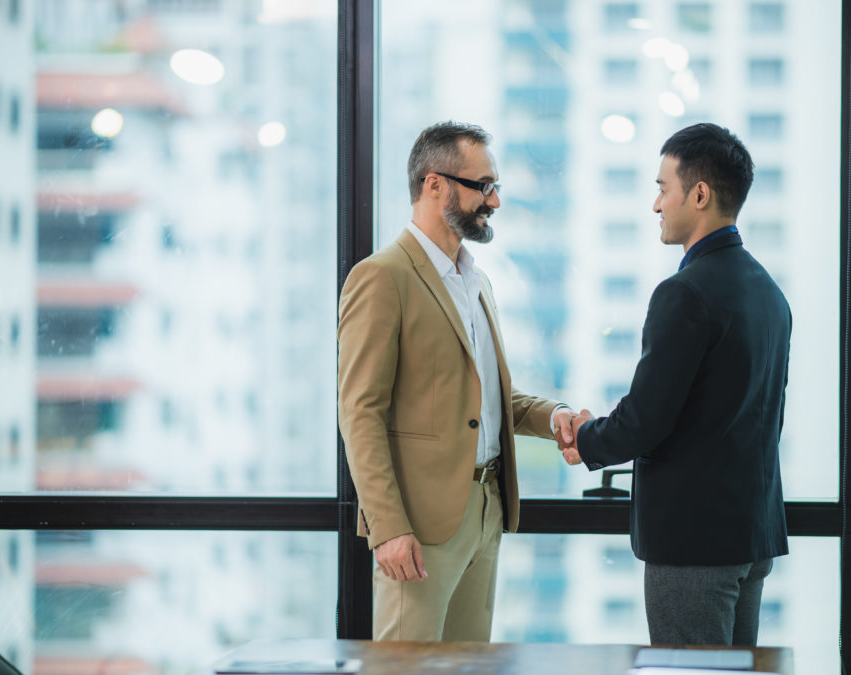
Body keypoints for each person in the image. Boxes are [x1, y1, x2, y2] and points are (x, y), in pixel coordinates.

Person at [338, 121, 577, 642]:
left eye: (495, 187)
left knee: (470, 666)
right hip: (419, 525)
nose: (494, 202)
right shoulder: (383, 277)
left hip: (486, 510)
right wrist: (389, 527)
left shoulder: (477, 282)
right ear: (434, 184)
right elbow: (360, 413)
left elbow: (488, 398)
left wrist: (554, 415)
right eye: (483, 186)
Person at [568, 123, 792, 647]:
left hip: (694, 546)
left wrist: (586, 439)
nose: (656, 205)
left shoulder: (685, 293)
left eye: (662, 188)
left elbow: (647, 419)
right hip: (749, 536)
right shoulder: (768, 292)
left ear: (699, 194)